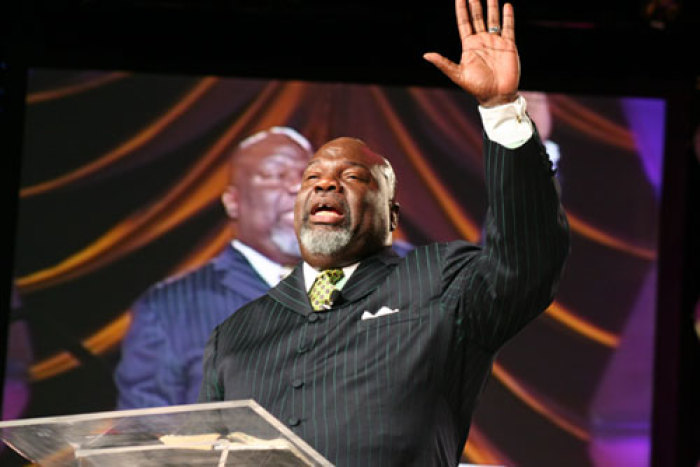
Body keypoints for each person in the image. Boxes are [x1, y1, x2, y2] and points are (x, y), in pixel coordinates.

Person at [198, 0, 570, 465]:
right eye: (311, 179)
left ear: (392, 216)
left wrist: (500, 110)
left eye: (353, 177)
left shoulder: (442, 281)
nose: (326, 184)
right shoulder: (235, 334)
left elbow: (526, 260)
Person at [114, 126, 314, 408]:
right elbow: (145, 436)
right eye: (275, 175)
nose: (298, 187)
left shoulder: (371, 284)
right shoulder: (169, 308)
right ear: (233, 202)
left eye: (309, 177)